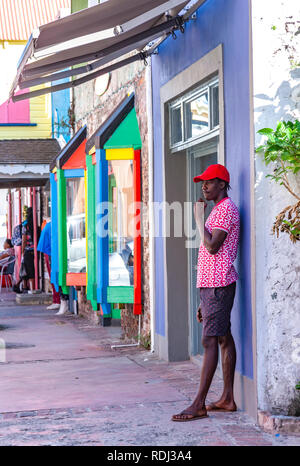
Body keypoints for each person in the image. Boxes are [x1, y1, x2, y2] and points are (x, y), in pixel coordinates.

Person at [172, 164, 240, 422]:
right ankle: (228, 398)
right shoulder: (219, 210)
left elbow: (212, 246)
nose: (204, 186)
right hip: (212, 285)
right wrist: (204, 299)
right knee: (222, 338)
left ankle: (198, 404)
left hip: (219, 285)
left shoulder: (225, 210)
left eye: (209, 182)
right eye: (202, 182)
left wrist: (198, 218)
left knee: (209, 341)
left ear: (222, 184)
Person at [37, 220, 61, 311]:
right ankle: (57, 300)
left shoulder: (48, 225)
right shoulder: (52, 225)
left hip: (50, 253)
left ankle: (57, 300)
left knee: (54, 277)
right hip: (53, 252)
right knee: (55, 277)